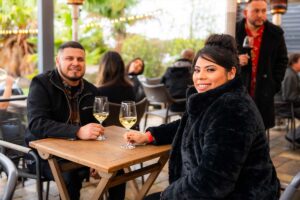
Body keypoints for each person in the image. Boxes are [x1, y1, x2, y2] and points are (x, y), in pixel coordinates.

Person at [124, 34, 279, 199]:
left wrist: (168, 195)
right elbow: (186, 124)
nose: (200, 77)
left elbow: (213, 181)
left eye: (210, 69)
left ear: (231, 72)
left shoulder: (233, 109)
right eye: (197, 70)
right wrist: (149, 135)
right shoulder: (214, 98)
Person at [25, 41, 105, 200]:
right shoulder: (41, 84)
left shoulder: (91, 90)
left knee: (117, 169)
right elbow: (36, 124)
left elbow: (98, 125)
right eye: (69, 58)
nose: (76, 63)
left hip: (80, 152)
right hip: (43, 155)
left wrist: (100, 159)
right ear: (58, 61)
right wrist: (77, 131)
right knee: (70, 176)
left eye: (80, 59)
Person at [236, 0, 288, 129]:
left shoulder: (276, 33)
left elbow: (282, 61)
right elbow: (220, 57)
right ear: (245, 12)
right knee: (237, 131)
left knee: (260, 133)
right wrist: (235, 60)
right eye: (256, 11)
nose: (260, 15)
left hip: (264, 92)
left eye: (264, 11)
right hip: (238, 91)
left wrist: (274, 84)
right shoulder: (232, 30)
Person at [275, 53, 300, 144]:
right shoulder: (290, 75)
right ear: (294, 62)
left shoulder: (293, 73)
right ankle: (293, 136)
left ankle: (295, 136)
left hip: (290, 105)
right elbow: (289, 97)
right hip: (285, 108)